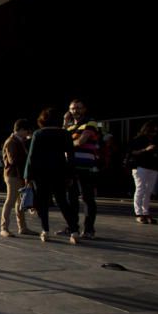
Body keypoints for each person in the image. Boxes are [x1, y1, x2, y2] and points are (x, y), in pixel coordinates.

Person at [24, 108, 80, 244]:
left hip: (41, 174)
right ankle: (74, 231)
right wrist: (71, 175)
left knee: (42, 203)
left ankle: (45, 231)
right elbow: (71, 157)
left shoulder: (38, 134)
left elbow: (31, 157)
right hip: (59, 172)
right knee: (63, 202)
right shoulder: (65, 134)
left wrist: (27, 175)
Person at [66, 99, 101, 238]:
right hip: (71, 166)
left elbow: (81, 141)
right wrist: (64, 121)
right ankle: (72, 227)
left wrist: (67, 144)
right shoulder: (68, 127)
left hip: (86, 167)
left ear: (84, 109)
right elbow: (63, 140)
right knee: (71, 198)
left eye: (79, 108)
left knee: (87, 198)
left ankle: (89, 230)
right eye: (73, 108)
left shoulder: (90, 122)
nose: (76, 111)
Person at [0, 119, 36, 238]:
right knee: (11, 200)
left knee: (19, 202)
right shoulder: (12, 141)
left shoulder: (19, 141)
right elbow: (12, 160)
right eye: (26, 131)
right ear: (21, 130)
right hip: (12, 175)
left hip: (18, 175)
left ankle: (22, 227)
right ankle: (4, 228)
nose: (27, 134)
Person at [129, 120, 158, 224]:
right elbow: (132, 152)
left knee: (148, 191)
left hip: (153, 167)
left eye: (156, 131)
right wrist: (146, 150)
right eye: (153, 131)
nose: (155, 133)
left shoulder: (156, 140)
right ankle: (139, 213)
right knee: (140, 189)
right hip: (140, 167)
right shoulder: (138, 140)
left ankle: (145, 212)